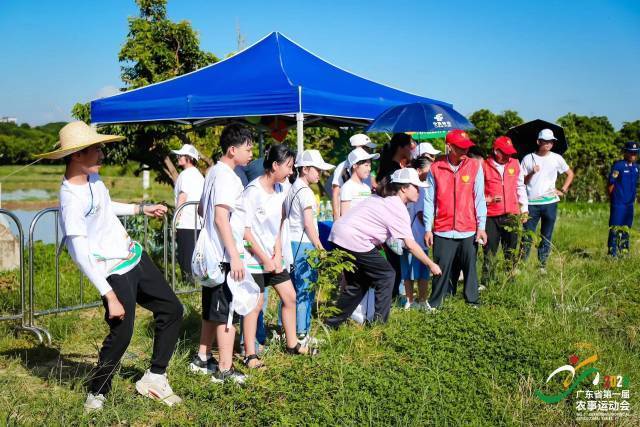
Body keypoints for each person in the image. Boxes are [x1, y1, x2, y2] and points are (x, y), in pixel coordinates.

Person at [35, 121, 184, 411]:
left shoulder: (93, 180)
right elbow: (79, 253)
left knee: (172, 309)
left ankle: (155, 377)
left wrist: (141, 209)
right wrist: (109, 295)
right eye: (96, 149)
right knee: (122, 333)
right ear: (77, 155)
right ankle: (97, 392)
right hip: (111, 271)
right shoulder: (70, 200)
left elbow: (105, 204)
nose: (103, 154)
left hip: (133, 255)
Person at [325, 168, 442, 328]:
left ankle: (331, 324)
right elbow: (410, 244)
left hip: (339, 235)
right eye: (416, 186)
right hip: (353, 239)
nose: (419, 190)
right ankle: (379, 326)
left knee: (359, 283)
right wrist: (431, 264)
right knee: (386, 275)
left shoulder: (382, 198)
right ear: (403, 188)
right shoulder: (397, 207)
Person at [191, 124, 253, 384]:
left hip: (212, 256)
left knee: (211, 311)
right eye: (248, 148)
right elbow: (219, 217)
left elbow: (201, 211)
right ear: (232, 150)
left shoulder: (212, 172)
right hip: (224, 257)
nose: (251, 153)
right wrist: (235, 255)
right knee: (228, 313)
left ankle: (202, 358)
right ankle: (225, 370)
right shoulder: (228, 177)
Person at [242, 144, 312, 368]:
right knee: (256, 303)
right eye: (289, 167)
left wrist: (278, 253)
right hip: (254, 259)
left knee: (290, 296)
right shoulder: (252, 192)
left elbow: (281, 222)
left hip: (274, 257)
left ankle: (292, 344)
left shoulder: (282, 190)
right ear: (275, 166)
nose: (292, 172)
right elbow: (244, 230)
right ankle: (250, 353)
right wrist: (264, 258)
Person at [424, 129, 488, 309]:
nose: (464, 151)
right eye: (460, 148)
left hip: (468, 228)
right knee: (440, 270)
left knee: (470, 269)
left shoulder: (475, 166)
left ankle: (472, 302)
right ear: (449, 147)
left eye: (466, 147)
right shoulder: (436, 168)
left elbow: (479, 198)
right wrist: (428, 228)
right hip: (442, 229)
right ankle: (435, 304)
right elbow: (429, 200)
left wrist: (481, 227)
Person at [284, 150, 334, 340]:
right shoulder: (305, 192)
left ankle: (287, 330)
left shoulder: (293, 188)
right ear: (305, 169)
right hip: (304, 244)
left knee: (292, 290)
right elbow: (308, 223)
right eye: (317, 170)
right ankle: (302, 333)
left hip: (292, 243)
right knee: (305, 289)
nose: (319, 174)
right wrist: (320, 247)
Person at [520, 129, 575, 267]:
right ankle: (521, 264)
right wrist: (532, 172)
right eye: (545, 141)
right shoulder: (528, 158)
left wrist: (563, 190)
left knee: (546, 235)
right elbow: (522, 182)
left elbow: (570, 174)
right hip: (531, 203)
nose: (549, 144)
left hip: (550, 202)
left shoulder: (557, 158)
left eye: (551, 141)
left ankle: (542, 264)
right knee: (527, 235)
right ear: (539, 141)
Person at [481, 136, 528, 287]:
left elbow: (520, 186)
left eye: (510, 152)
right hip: (491, 216)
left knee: (511, 250)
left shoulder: (515, 163)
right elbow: (477, 191)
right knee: (489, 250)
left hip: (511, 214)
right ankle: (486, 281)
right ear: (496, 151)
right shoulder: (484, 165)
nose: (509, 155)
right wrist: (487, 199)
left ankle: (510, 280)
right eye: (505, 152)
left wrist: (524, 209)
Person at [377, 133, 417, 298]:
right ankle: (392, 297)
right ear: (401, 147)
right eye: (409, 145)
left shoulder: (394, 167)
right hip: (391, 224)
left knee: (396, 263)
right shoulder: (392, 170)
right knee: (395, 264)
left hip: (392, 222)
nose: (412, 148)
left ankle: (394, 296)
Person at [401, 146, 439, 309]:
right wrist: (429, 223)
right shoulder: (410, 187)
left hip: (423, 236)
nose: (430, 173)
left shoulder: (427, 186)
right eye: (427, 169)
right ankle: (409, 300)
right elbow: (418, 213)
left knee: (423, 271)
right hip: (412, 234)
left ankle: (422, 300)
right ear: (418, 170)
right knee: (408, 271)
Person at [325, 134, 377, 221]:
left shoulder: (365, 167)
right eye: (367, 147)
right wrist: (337, 218)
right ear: (357, 147)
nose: (370, 150)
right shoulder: (342, 167)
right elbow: (335, 193)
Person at [171, 143, 204, 279]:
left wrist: (175, 220)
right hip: (199, 223)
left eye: (181, 155)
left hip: (185, 222)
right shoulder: (200, 176)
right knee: (195, 257)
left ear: (189, 158)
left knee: (185, 258)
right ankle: (196, 284)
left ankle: (187, 286)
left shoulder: (184, 175)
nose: (178, 157)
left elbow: (182, 197)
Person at [607, 141, 639, 256]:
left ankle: (624, 252)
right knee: (615, 228)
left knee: (626, 229)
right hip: (618, 204)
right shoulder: (618, 166)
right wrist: (614, 200)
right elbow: (611, 184)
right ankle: (612, 253)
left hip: (629, 205)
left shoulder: (636, 168)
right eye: (631, 153)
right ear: (625, 152)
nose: (633, 155)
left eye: (635, 153)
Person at [339, 147, 380, 215]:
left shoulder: (367, 187)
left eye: (370, 165)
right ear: (355, 166)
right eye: (366, 165)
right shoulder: (347, 187)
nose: (369, 169)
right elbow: (344, 217)